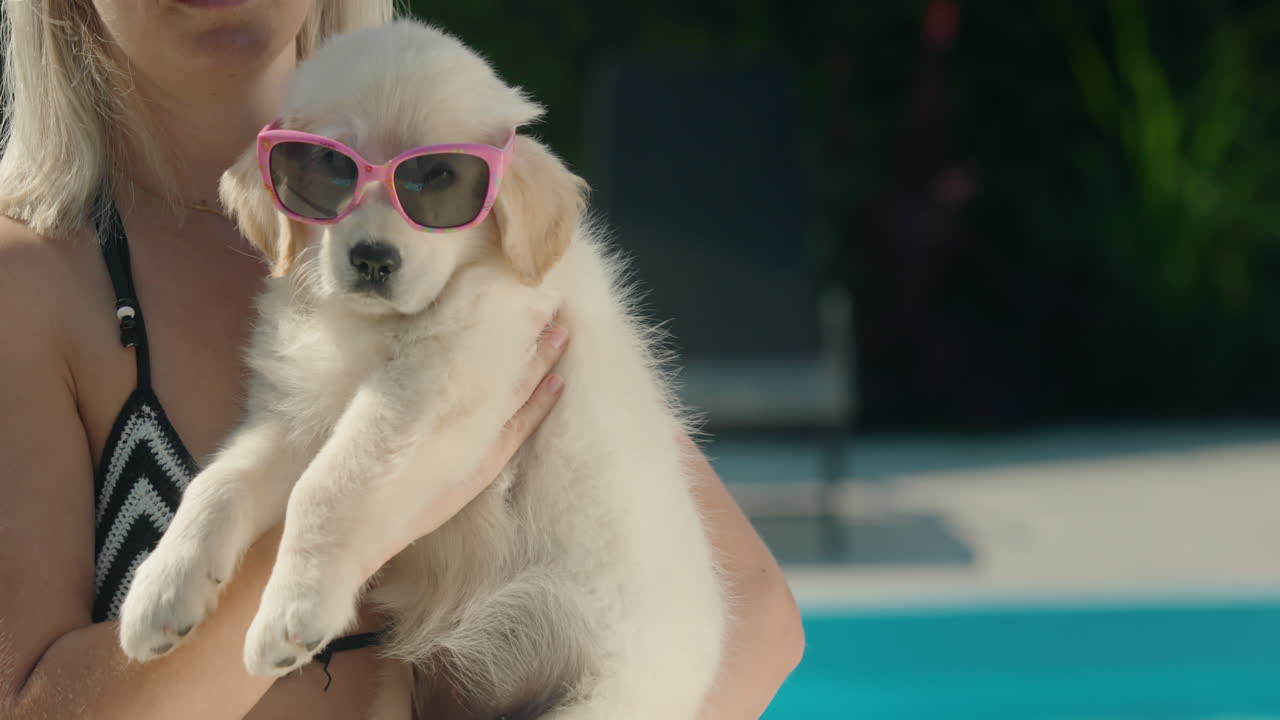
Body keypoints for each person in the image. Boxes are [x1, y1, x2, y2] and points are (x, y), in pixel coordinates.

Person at [0, 1, 804, 719]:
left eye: (433, 181)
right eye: (332, 173)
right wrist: (366, 520)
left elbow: (752, 609)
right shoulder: (28, 279)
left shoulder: (484, 218)